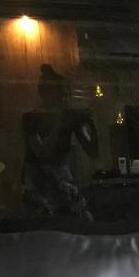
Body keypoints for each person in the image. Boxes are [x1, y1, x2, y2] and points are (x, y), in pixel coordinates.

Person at [21, 64, 98, 219]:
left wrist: (91, 125)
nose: (64, 97)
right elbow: (42, 155)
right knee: (44, 222)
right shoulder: (31, 118)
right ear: (45, 94)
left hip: (63, 179)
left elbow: (92, 152)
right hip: (38, 181)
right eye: (60, 92)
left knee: (84, 218)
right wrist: (61, 124)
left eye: (66, 92)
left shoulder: (69, 117)